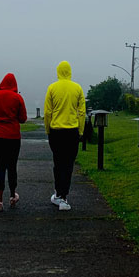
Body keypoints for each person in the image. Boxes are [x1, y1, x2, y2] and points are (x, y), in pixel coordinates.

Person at [44, 60, 86, 211]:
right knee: (68, 165)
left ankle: (57, 194)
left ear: (58, 72)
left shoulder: (52, 88)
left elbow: (48, 112)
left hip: (56, 131)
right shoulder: (77, 88)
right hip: (72, 131)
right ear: (70, 72)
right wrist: (80, 131)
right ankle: (64, 198)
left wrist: (47, 129)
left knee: (58, 162)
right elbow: (81, 112)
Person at [0, 73, 27, 212]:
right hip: (13, 137)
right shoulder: (18, 97)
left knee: (0, 167)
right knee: (12, 167)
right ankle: (13, 196)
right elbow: (23, 118)